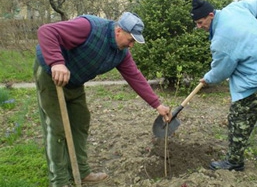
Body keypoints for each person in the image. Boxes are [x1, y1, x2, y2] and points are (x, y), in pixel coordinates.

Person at [33, 12, 171, 186]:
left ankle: (81, 172)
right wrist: (56, 62)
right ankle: (59, 180)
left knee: (81, 122)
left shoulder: (121, 53)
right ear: (119, 30)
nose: (131, 45)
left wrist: (157, 105)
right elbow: (46, 31)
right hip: (50, 74)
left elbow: (135, 77)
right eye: (131, 40)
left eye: (134, 42)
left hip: (74, 81)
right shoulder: (89, 27)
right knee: (56, 128)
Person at [190, 0, 257, 171]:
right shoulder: (235, 8)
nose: (199, 27)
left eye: (200, 22)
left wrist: (208, 79)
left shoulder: (221, 39)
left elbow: (221, 71)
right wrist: (250, 26)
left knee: (239, 117)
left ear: (211, 15)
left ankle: (234, 162)